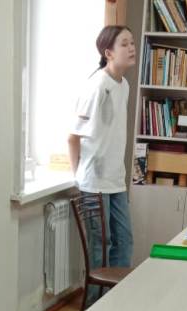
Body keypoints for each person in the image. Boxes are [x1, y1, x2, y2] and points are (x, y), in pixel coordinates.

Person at [68, 25, 136, 283]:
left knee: (124, 241)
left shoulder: (124, 85)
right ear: (108, 52)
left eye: (132, 43)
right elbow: (72, 137)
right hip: (93, 182)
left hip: (116, 180)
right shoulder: (96, 86)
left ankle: (115, 298)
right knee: (100, 246)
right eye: (124, 44)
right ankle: (96, 305)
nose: (131, 48)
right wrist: (79, 177)